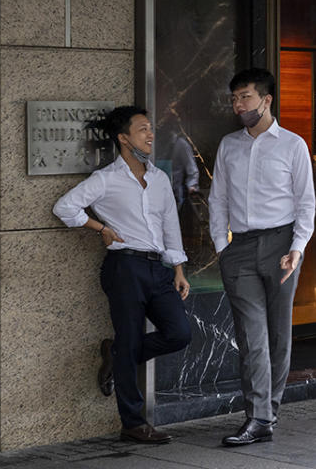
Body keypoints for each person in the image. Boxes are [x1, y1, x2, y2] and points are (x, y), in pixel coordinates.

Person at [53, 106, 192, 444]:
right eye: (143, 129)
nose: (150, 135)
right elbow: (64, 207)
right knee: (131, 341)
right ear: (123, 138)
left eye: (151, 129)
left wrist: (178, 269)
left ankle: (117, 354)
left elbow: (170, 224)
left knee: (179, 333)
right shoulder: (106, 179)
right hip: (124, 268)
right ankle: (133, 422)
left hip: (157, 269)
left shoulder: (158, 178)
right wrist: (101, 227)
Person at [209, 68, 316, 446]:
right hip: (239, 249)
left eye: (245, 97)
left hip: (281, 245)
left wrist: (297, 248)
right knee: (251, 335)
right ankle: (258, 418)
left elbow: (306, 203)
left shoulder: (292, 145)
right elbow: (217, 198)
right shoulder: (228, 145)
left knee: (277, 334)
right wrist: (222, 248)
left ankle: (268, 412)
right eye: (235, 98)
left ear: (266, 100)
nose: (238, 105)